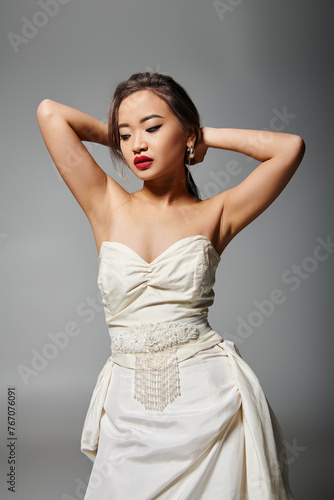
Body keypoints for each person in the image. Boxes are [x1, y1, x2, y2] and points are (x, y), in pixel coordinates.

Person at [37, 72, 305, 499]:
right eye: (125, 135)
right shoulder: (105, 203)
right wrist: (124, 139)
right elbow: (50, 114)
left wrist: (203, 137)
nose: (137, 144)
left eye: (153, 127)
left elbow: (289, 148)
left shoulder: (218, 213)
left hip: (209, 398)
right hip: (127, 404)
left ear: (185, 132)